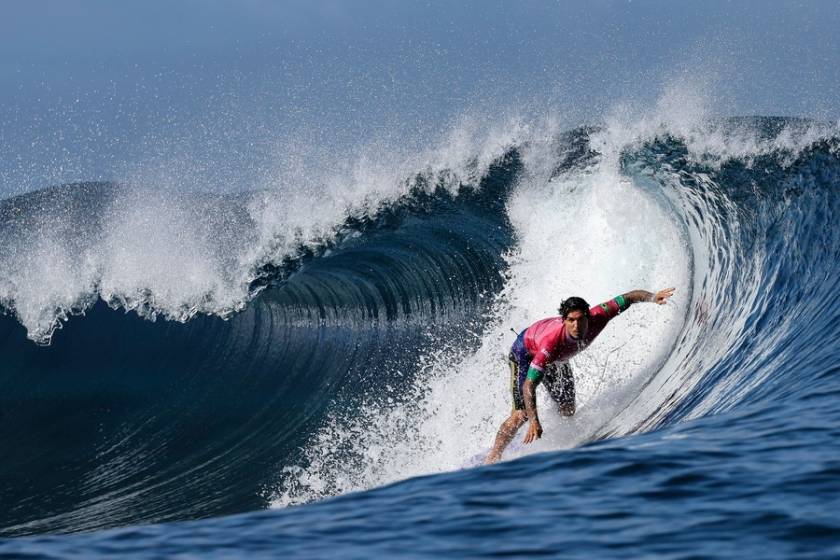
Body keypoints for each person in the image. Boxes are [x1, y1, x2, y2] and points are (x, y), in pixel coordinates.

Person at [484, 287, 675, 464]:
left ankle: (555, 446)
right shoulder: (550, 343)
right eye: (570, 320)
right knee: (521, 414)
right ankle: (494, 456)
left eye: (580, 319)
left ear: (588, 316)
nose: (576, 325)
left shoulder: (600, 315)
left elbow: (628, 298)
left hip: (557, 359)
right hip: (524, 353)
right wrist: (534, 420)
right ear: (564, 320)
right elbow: (528, 385)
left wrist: (652, 297)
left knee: (568, 409)